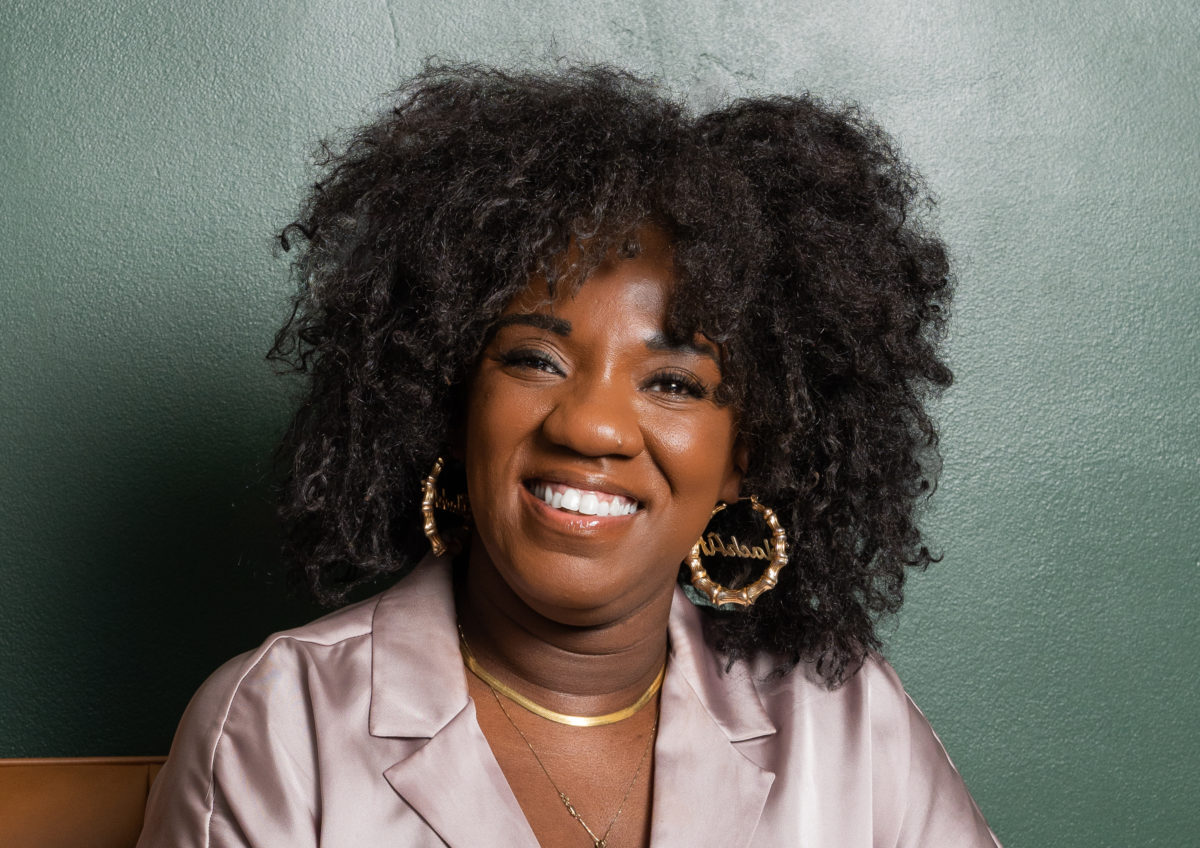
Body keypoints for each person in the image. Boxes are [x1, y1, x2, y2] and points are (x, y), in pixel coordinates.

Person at [138, 63, 1001, 847]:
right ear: (452, 402)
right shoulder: (279, 727)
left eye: (674, 382)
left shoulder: (847, 724)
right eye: (535, 360)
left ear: (748, 454)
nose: (590, 427)